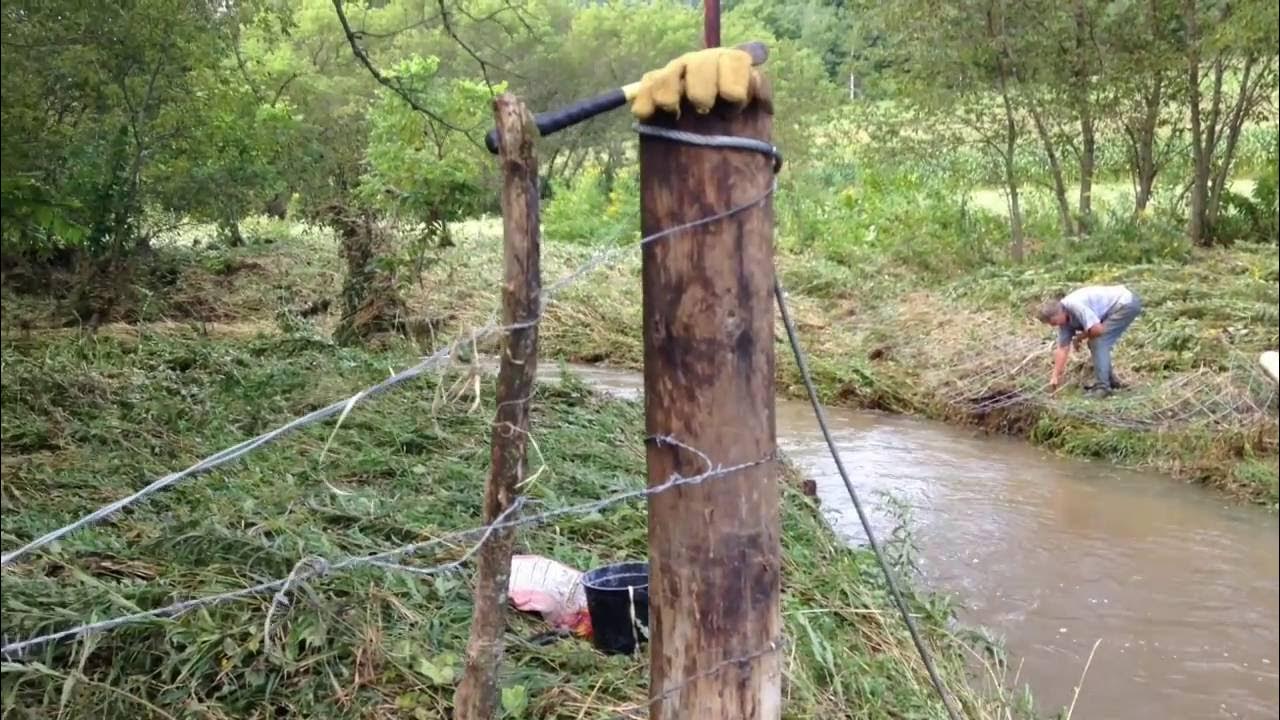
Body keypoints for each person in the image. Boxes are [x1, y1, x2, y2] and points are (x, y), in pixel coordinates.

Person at [1036, 285, 1143, 398]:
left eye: (1053, 322)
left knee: (1098, 342)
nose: (1052, 325)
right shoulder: (1064, 322)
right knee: (1096, 342)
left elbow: (1097, 330)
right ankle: (1110, 382)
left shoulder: (1074, 306)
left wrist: (1079, 337)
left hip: (1125, 303)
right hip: (1117, 306)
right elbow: (1062, 349)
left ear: (1060, 313)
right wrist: (1055, 376)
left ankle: (1103, 388)